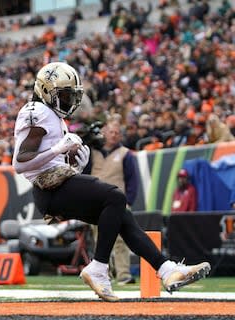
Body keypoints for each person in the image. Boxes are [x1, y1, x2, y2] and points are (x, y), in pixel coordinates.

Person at [12, 61, 210, 301]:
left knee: (122, 216)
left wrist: (75, 164)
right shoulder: (38, 111)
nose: (68, 101)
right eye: (63, 95)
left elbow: (49, 161)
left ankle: (166, 269)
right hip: (49, 187)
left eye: (70, 96)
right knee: (115, 196)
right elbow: (21, 162)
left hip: (57, 184)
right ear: (45, 91)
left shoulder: (52, 115)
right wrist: (57, 150)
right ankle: (98, 267)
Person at [89, 120, 138, 285]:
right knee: (98, 239)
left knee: (120, 239)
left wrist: (128, 201)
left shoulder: (125, 154)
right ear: (104, 133)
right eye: (111, 132)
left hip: (117, 201)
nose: (114, 135)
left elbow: (132, 180)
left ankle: (123, 274)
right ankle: (103, 274)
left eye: (117, 132)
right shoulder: (93, 152)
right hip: (95, 201)